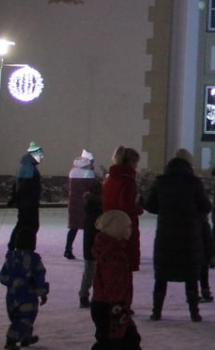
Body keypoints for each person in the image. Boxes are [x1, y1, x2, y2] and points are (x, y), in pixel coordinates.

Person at [146, 149, 211, 322]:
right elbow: (205, 206)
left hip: (165, 235)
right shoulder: (194, 183)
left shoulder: (161, 182)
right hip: (189, 236)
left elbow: (151, 206)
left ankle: (156, 311)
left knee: (162, 275)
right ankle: (194, 312)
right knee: (190, 275)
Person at [91, 210, 142, 350]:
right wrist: (118, 305)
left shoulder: (114, 250)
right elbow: (113, 283)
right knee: (110, 344)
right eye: (127, 226)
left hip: (115, 306)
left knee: (130, 340)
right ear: (117, 228)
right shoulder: (113, 254)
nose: (130, 230)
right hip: (110, 307)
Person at [0, 226, 49, 350]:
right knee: (26, 318)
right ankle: (11, 340)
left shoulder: (10, 259)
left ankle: (25, 337)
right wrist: (42, 292)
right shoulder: (34, 260)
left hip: (11, 296)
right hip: (28, 296)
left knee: (17, 317)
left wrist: (13, 282)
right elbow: (39, 278)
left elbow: (3, 276)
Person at [103, 146, 144, 273]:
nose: (136, 167)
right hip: (124, 225)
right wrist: (139, 208)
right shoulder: (127, 181)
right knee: (124, 265)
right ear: (130, 162)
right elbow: (126, 206)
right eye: (135, 163)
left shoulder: (111, 179)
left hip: (109, 223)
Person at [9, 141, 44, 248]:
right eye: (39, 155)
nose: (41, 158)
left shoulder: (24, 166)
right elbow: (25, 186)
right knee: (29, 225)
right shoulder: (29, 168)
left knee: (22, 224)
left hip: (25, 202)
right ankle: (22, 245)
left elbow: (17, 185)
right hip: (29, 203)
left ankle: (15, 244)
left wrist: (14, 197)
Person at [66, 149, 99, 260]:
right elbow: (94, 188)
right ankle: (91, 251)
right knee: (89, 229)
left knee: (73, 228)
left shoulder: (73, 170)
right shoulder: (89, 173)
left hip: (73, 203)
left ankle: (67, 249)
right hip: (85, 204)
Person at [79, 175, 104, 309]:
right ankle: (95, 296)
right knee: (97, 272)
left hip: (88, 245)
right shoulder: (99, 211)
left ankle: (84, 295)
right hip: (98, 245)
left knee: (89, 271)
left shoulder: (88, 209)